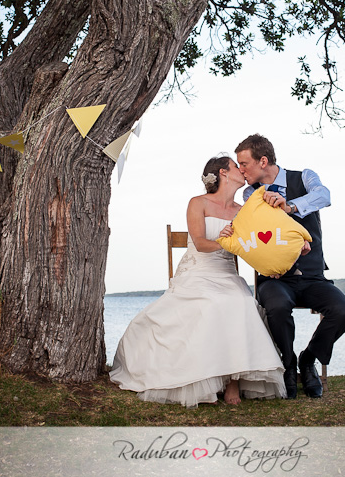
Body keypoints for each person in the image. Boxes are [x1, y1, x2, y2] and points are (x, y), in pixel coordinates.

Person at [108, 156, 287, 408]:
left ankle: (233, 380)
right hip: (199, 271)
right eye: (237, 166)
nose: (242, 170)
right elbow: (201, 244)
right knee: (210, 303)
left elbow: (251, 247)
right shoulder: (197, 203)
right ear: (224, 173)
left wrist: (272, 262)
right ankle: (205, 377)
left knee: (242, 301)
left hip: (226, 273)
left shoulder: (243, 210)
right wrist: (225, 241)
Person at [234, 133, 345, 399]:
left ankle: (308, 359)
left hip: (312, 275)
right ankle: (288, 364)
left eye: (243, 163)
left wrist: (290, 206)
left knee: (342, 310)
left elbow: (324, 195)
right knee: (277, 306)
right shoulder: (250, 194)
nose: (240, 170)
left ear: (263, 161)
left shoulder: (304, 177)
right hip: (275, 279)